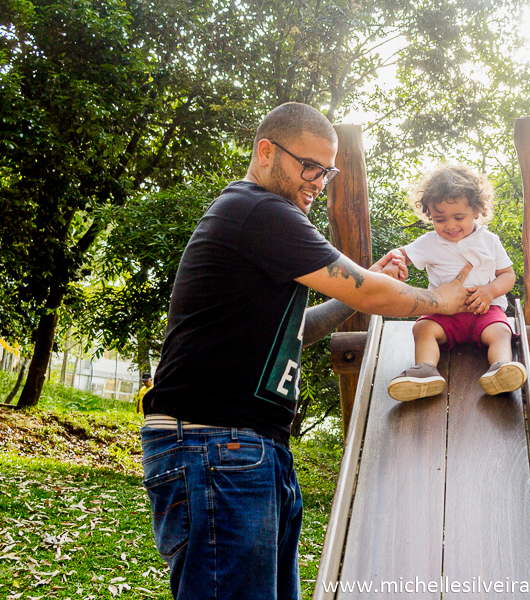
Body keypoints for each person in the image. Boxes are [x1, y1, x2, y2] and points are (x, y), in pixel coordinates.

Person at [140, 102, 472, 600]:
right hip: (214, 444)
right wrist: (437, 299)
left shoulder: (262, 222)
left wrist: (363, 286)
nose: (318, 181)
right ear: (266, 151)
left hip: (251, 446)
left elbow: (300, 328)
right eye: (309, 166)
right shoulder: (259, 209)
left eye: (327, 171)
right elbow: (368, 292)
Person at [385, 163, 527, 401]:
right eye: (440, 219)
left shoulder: (489, 240)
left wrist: (490, 291)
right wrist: (393, 264)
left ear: (477, 210)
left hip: (485, 311)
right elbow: (401, 255)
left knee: (502, 330)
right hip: (444, 314)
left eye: (459, 217)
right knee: (422, 328)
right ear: (429, 215)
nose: (450, 225)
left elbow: (508, 275)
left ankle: (501, 368)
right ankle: (426, 371)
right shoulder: (429, 242)